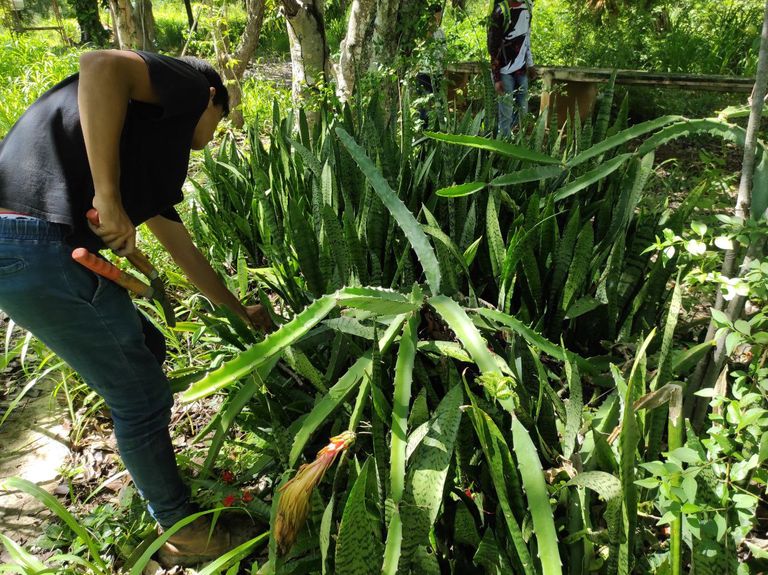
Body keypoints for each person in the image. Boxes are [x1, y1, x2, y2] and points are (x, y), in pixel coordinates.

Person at [0, 50, 269, 566]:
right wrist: (108, 195)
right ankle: (183, 533)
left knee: (146, 346)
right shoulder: (192, 86)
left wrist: (238, 311)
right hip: (36, 242)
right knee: (140, 397)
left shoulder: (141, 145)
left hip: (17, 246)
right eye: (222, 118)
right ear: (212, 99)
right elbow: (100, 64)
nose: (215, 132)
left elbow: (182, 248)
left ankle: (154, 473)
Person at [487, 0, 537, 137]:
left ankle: (518, 143)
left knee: (523, 111)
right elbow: (493, 47)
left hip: (521, 69)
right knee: (506, 114)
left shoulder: (527, 6)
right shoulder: (500, 11)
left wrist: (530, 64)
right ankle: (504, 147)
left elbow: (527, 37)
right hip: (504, 71)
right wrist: (496, 78)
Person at [415, 3, 447, 128]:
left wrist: (443, 68)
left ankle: (434, 129)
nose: (438, 18)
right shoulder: (423, 30)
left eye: (439, 16)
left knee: (436, 102)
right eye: (436, 16)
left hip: (437, 72)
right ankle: (424, 129)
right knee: (424, 103)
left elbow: (444, 52)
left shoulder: (441, 32)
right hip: (425, 71)